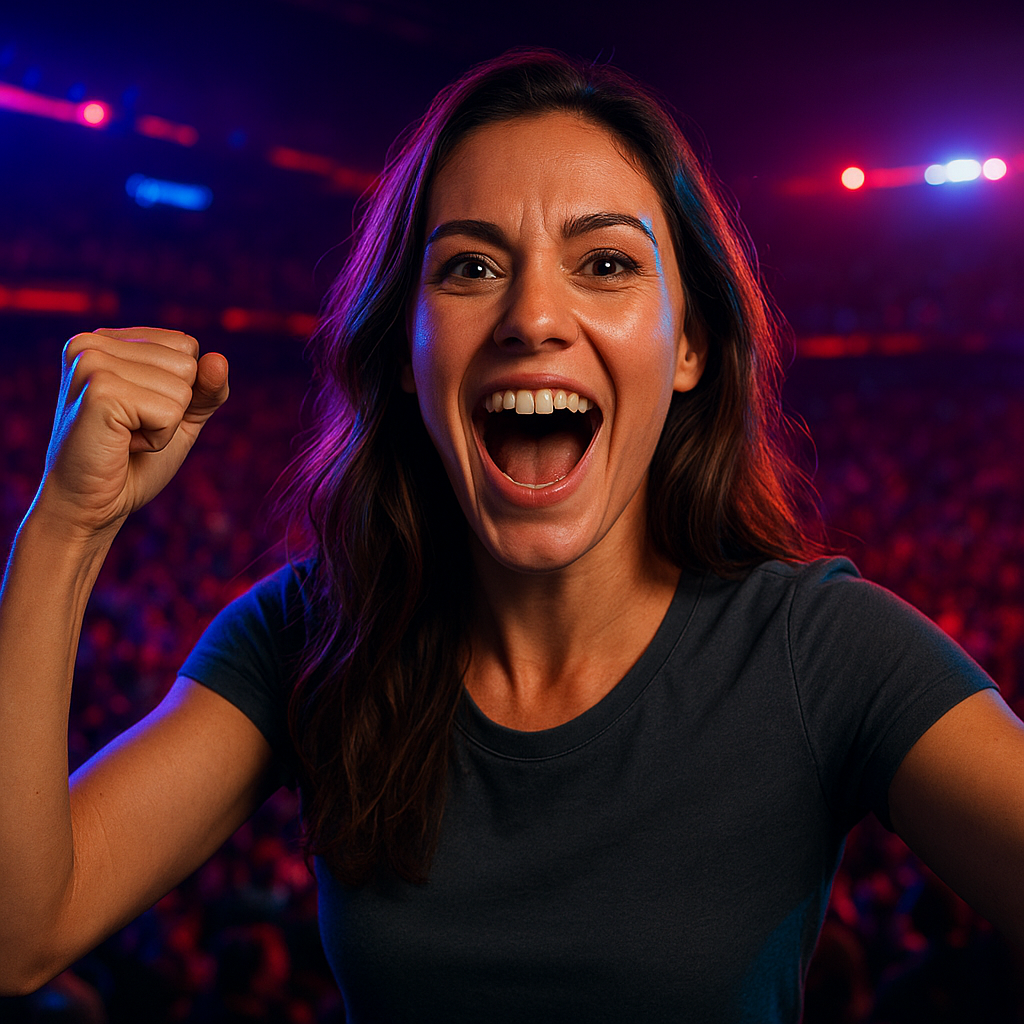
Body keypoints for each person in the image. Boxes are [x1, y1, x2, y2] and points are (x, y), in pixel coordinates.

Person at [1, 48, 1022, 1023]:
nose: (533, 317)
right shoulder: (309, 635)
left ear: (691, 347)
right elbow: (18, 933)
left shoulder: (822, 653)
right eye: (472, 267)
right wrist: (67, 526)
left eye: (606, 262)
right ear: (406, 351)